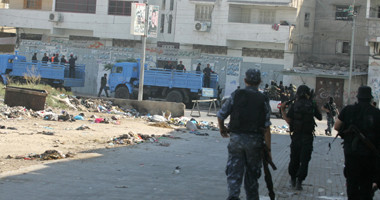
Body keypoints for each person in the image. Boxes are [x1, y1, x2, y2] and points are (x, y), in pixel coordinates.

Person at [217, 68, 272, 200]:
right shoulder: (263, 99)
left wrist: (222, 129)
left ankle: (233, 196)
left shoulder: (236, 95)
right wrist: (268, 151)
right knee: (252, 176)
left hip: (236, 140)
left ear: (245, 80)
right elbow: (267, 127)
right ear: (259, 81)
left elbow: (220, 115)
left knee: (234, 173)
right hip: (255, 142)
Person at [334, 86, 380, 199]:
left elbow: (336, 126)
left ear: (358, 97)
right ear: (370, 98)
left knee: (352, 184)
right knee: (366, 185)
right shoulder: (376, 113)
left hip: (352, 153)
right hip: (369, 155)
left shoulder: (348, 109)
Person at [281, 85, 322, 190]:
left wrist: (282, 110)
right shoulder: (311, 105)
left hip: (296, 136)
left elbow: (289, 121)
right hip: (308, 136)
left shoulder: (295, 105)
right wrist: (315, 105)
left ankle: (293, 179)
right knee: (305, 159)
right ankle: (300, 181)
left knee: (295, 157)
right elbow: (320, 117)